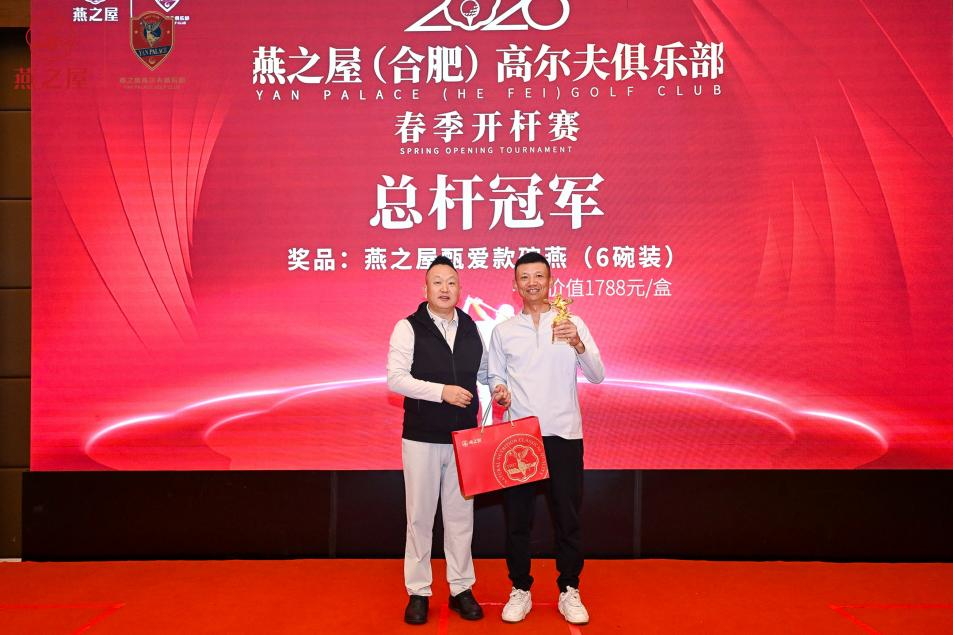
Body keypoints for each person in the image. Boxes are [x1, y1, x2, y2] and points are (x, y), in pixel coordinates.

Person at [387, 256, 507, 625]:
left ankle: (460, 589)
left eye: (451, 282)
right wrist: (442, 392)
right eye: (437, 282)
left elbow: (484, 372)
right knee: (420, 518)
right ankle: (418, 591)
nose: (444, 288)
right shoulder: (408, 327)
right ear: (425, 289)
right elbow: (396, 379)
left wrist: (498, 387)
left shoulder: (470, 327)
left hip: (464, 439)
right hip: (421, 438)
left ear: (459, 289)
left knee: (460, 517)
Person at [488, 251, 604, 625]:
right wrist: (500, 391)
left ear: (551, 282)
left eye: (539, 276)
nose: (532, 283)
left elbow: (598, 375)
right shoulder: (504, 331)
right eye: (525, 277)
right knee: (517, 519)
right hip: (521, 436)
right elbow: (495, 376)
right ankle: (520, 588)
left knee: (567, 518)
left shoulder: (572, 323)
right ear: (515, 285)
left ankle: (569, 589)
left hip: (564, 433)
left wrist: (578, 344)